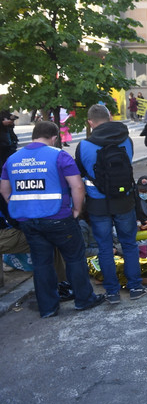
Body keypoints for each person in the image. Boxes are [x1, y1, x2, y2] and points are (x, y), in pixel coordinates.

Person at [0, 121, 105, 317]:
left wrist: (19, 206)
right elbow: (77, 186)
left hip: (29, 222)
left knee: (41, 264)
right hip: (59, 218)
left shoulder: (12, 159)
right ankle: (84, 299)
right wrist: (76, 210)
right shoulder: (59, 155)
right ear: (54, 137)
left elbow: (4, 190)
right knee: (74, 258)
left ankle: (48, 308)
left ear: (33, 135)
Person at [75, 104, 147, 304]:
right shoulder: (126, 140)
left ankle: (112, 292)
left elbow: (80, 174)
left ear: (90, 123)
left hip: (98, 204)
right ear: (109, 117)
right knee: (129, 244)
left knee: (105, 248)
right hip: (124, 200)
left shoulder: (84, 146)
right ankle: (135, 286)